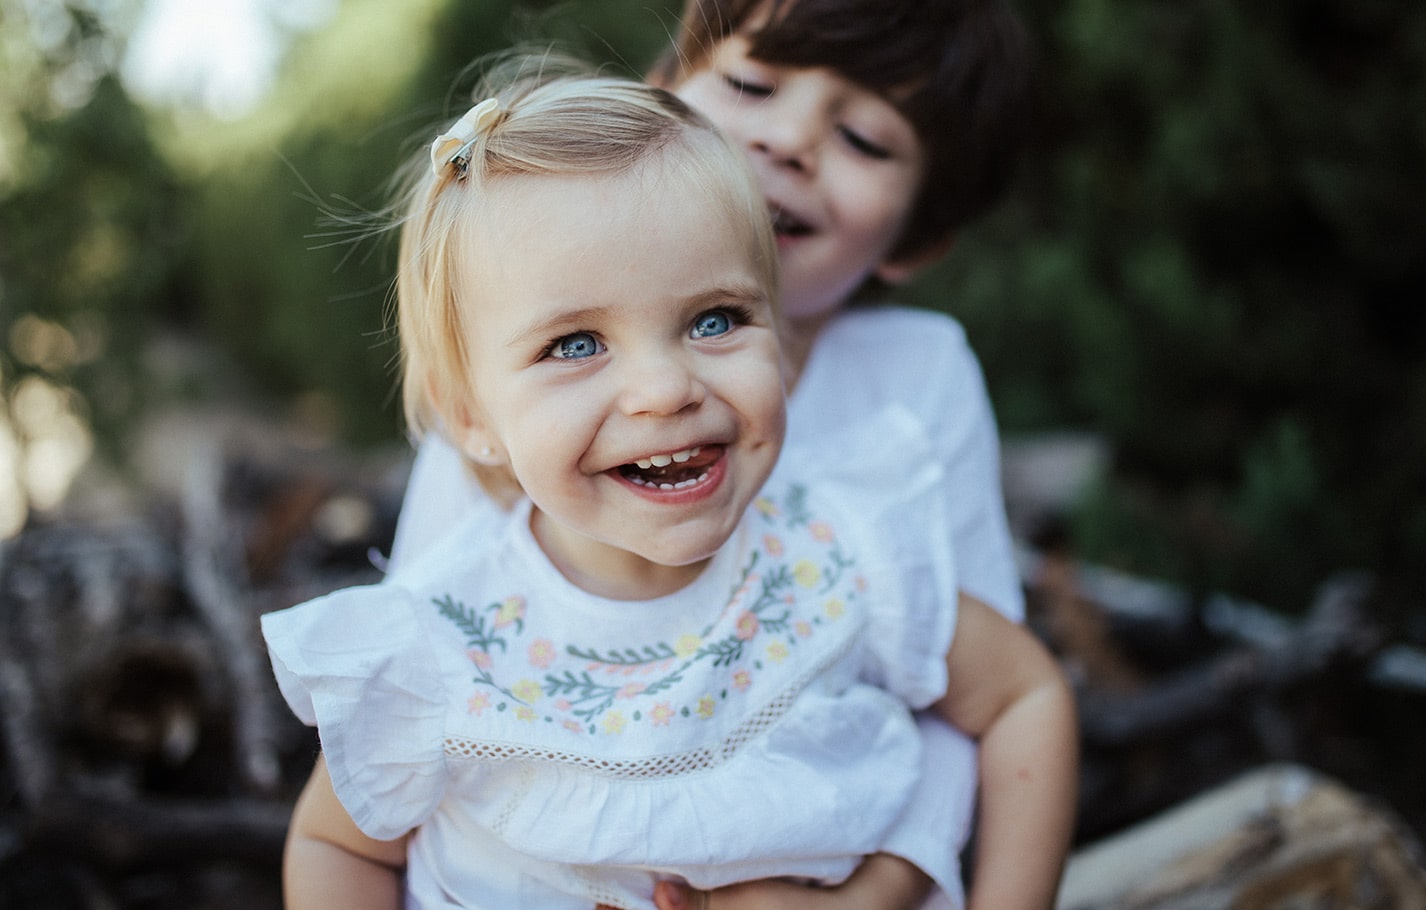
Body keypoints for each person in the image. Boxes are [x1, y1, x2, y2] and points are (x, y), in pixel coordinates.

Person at [264, 57, 1075, 910]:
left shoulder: (841, 554)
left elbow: (1026, 694)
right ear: (468, 415)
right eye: (576, 344)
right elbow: (335, 846)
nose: (666, 389)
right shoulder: (439, 641)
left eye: (715, 319)